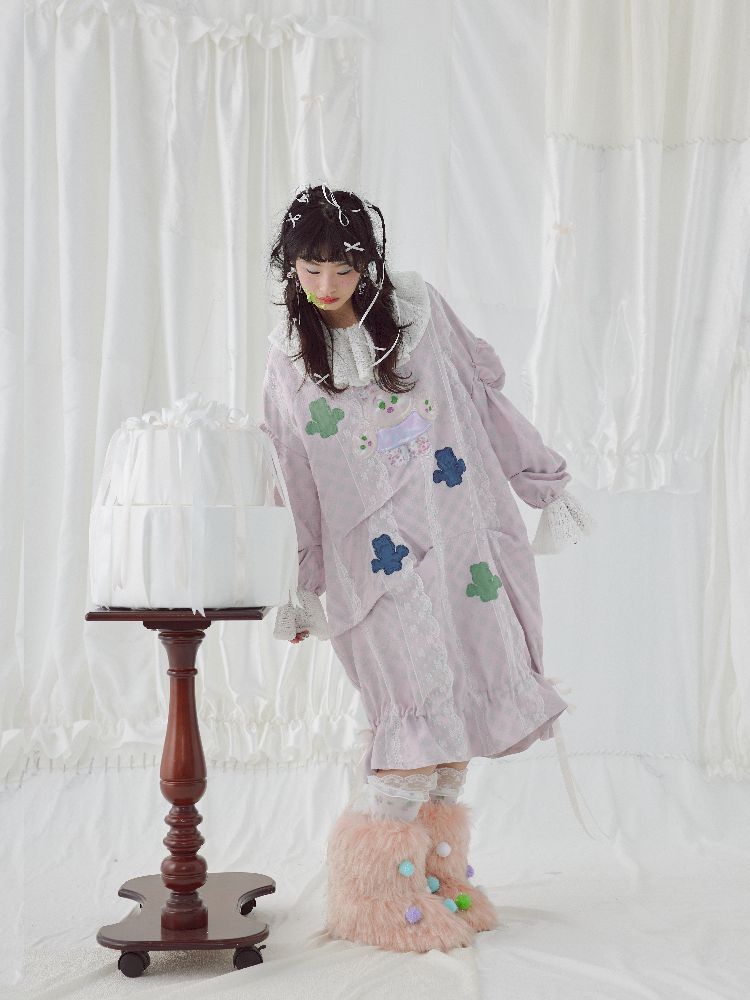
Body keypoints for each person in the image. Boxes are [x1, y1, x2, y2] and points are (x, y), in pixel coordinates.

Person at [260, 184, 595, 953]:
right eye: (311, 269)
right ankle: (374, 899)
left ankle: (435, 883)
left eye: (343, 268)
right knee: (408, 731)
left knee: (450, 736)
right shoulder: (290, 362)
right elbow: (291, 475)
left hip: (455, 541)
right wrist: (298, 585)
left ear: (368, 263)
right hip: (370, 567)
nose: (327, 285)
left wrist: (540, 479)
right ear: (291, 268)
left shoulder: (420, 314)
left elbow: (484, 403)